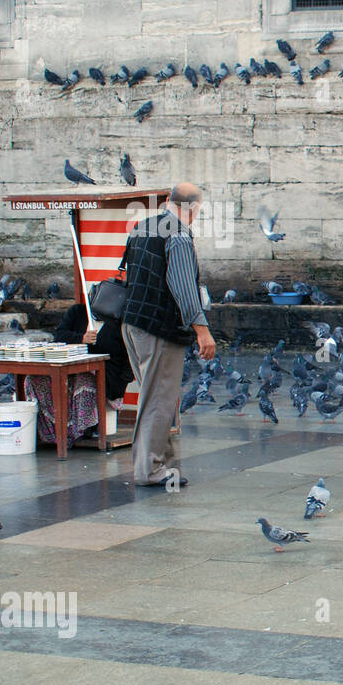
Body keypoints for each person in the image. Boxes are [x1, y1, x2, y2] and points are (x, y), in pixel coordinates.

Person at [120, 182, 215, 488]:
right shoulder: (178, 234)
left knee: (155, 396)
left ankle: (165, 463)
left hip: (132, 324)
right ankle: (149, 469)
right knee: (158, 399)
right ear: (194, 208)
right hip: (158, 328)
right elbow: (183, 286)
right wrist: (202, 330)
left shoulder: (142, 227)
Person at [23, 304, 135, 447]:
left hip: (106, 375)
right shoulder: (77, 312)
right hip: (69, 369)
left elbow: (129, 358)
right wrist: (81, 338)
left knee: (85, 380)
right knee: (34, 379)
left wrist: (121, 384)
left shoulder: (119, 322)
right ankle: (48, 430)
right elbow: (59, 336)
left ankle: (81, 430)